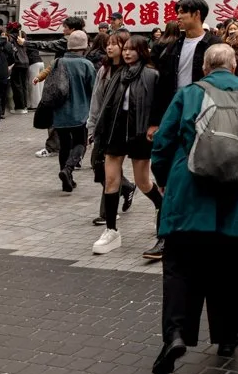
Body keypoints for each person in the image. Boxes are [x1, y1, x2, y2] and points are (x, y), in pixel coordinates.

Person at [150, 43, 238, 374]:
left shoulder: (189, 94)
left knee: (181, 266)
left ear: (205, 68)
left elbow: (163, 143)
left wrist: (166, 179)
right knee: (234, 267)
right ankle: (227, 337)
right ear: (236, 65)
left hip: (190, 192)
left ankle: (177, 334)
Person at [147, 0, 218, 262]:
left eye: (182, 12)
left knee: (204, 175)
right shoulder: (172, 46)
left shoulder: (213, 45)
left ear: (196, 14)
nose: (177, 16)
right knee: (171, 178)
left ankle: (203, 233)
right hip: (175, 116)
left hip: (205, 119)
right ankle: (165, 237)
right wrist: (155, 121)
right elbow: (162, 86)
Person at [91, 36, 162, 254]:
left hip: (140, 130)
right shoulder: (118, 74)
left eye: (132, 50)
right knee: (111, 179)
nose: (127, 53)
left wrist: (154, 125)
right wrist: (96, 129)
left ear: (142, 51)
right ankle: (111, 229)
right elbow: (106, 104)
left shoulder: (152, 75)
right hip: (116, 128)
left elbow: (158, 104)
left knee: (142, 181)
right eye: (126, 49)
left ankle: (162, 206)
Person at [87, 33, 136, 226]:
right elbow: (96, 98)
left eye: (115, 44)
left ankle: (107, 213)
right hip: (104, 125)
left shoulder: (131, 70)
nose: (110, 47)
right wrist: (92, 124)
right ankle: (126, 187)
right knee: (98, 165)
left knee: (109, 170)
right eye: (108, 44)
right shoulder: (104, 70)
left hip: (123, 127)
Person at [52, 30, 97, 192]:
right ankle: (68, 169)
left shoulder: (58, 62)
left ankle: (67, 179)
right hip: (80, 112)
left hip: (59, 113)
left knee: (64, 145)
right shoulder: (86, 65)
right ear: (84, 47)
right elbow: (94, 90)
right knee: (81, 143)